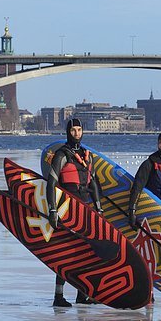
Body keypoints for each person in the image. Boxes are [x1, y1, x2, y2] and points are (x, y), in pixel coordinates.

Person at [47, 118, 103, 307]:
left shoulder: (88, 156)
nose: (76, 133)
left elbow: (93, 183)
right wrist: (53, 209)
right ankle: (58, 296)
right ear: (68, 132)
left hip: (85, 209)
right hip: (67, 208)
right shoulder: (61, 155)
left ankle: (82, 295)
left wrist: (98, 207)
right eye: (73, 130)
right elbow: (51, 183)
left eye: (79, 130)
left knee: (85, 252)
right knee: (66, 252)